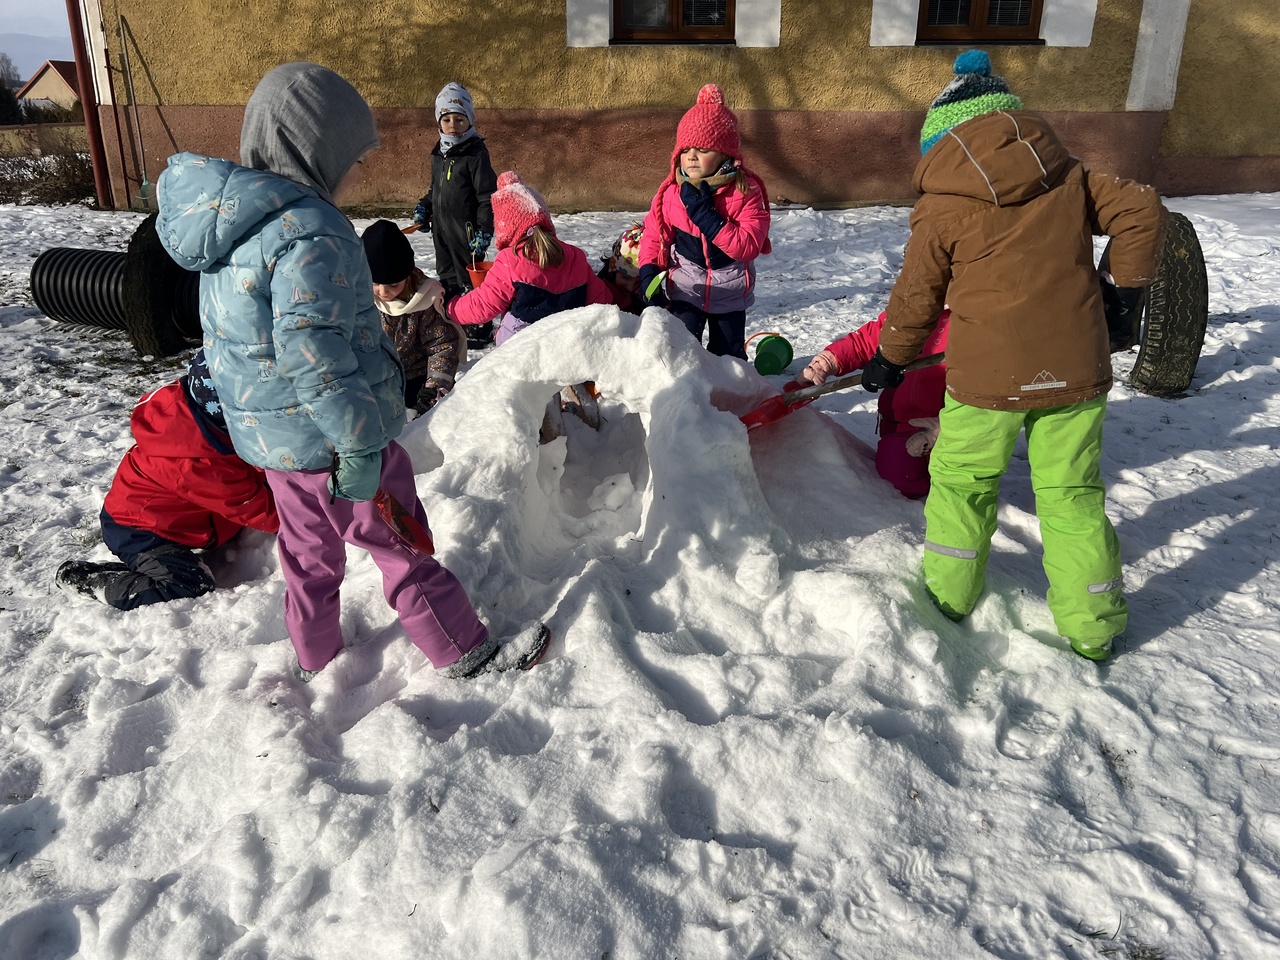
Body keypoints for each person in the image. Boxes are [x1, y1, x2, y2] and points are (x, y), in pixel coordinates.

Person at [154, 62, 548, 680]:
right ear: (316, 150)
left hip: (277, 445)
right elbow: (314, 354)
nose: (357, 171)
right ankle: (461, 648)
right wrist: (359, 443)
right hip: (340, 440)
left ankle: (314, 656)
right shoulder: (311, 232)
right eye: (352, 157)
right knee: (399, 542)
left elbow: (233, 343)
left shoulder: (228, 233)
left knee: (307, 556)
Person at [860, 50, 1166, 662]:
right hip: (1076, 370)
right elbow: (1141, 209)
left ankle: (949, 594)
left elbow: (917, 295)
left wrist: (891, 357)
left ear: (944, 142)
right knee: (1072, 494)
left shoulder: (942, 204)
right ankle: (1094, 626)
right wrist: (1123, 296)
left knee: (963, 483)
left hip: (986, 379)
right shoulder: (1070, 176)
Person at [55, 352, 278, 609]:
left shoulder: (197, 410)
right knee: (188, 584)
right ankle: (93, 582)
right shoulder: (195, 464)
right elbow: (263, 511)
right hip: (142, 532)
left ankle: (149, 569)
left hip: (178, 519)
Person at [637, 83, 772, 360]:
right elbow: (654, 234)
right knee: (682, 354)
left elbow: (747, 246)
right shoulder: (673, 192)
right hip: (686, 289)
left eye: (702, 148)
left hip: (730, 291)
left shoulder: (746, 191)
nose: (692, 156)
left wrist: (706, 217)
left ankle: (728, 384)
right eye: (686, 149)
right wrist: (649, 271)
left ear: (725, 154)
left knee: (728, 358)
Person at [445, 170, 614, 345]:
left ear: (506, 227)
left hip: (520, 350)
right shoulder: (575, 257)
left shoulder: (510, 261)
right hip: (566, 346)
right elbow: (603, 302)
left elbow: (482, 305)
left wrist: (450, 308)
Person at [799, 309, 950, 499]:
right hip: (901, 425)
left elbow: (980, 391)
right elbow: (866, 341)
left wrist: (945, 428)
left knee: (954, 480)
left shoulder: (974, 322)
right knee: (898, 474)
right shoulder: (913, 307)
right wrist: (824, 363)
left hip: (951, 425)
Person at [411, 82, 499, 346]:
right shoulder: (439, 152)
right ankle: (454, 322)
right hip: (442, 231)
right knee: (448, 277)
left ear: (469, 120)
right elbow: (436, 190)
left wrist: (484, 231)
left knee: (469, 280)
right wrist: (425, 207)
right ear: (439, 121)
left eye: (459, 119)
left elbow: (486, 196)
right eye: (446, 119)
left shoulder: (475, 153)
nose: (453, 125)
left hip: (467, 233)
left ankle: (479, 328)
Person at [361, 219, 467, 415]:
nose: (383, 292)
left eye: (393, 284)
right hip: (373, 383)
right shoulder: (359, 301)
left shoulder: (424, 300)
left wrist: (433, 389)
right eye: (375, 283)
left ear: (407, 276)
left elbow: (441, 345)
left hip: (416, 382)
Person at [597, 222, 645, 315]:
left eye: (639, 281)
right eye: (625, 277)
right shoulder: (601, 294)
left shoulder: (646, 294)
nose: (630, 287)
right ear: (613, 269)